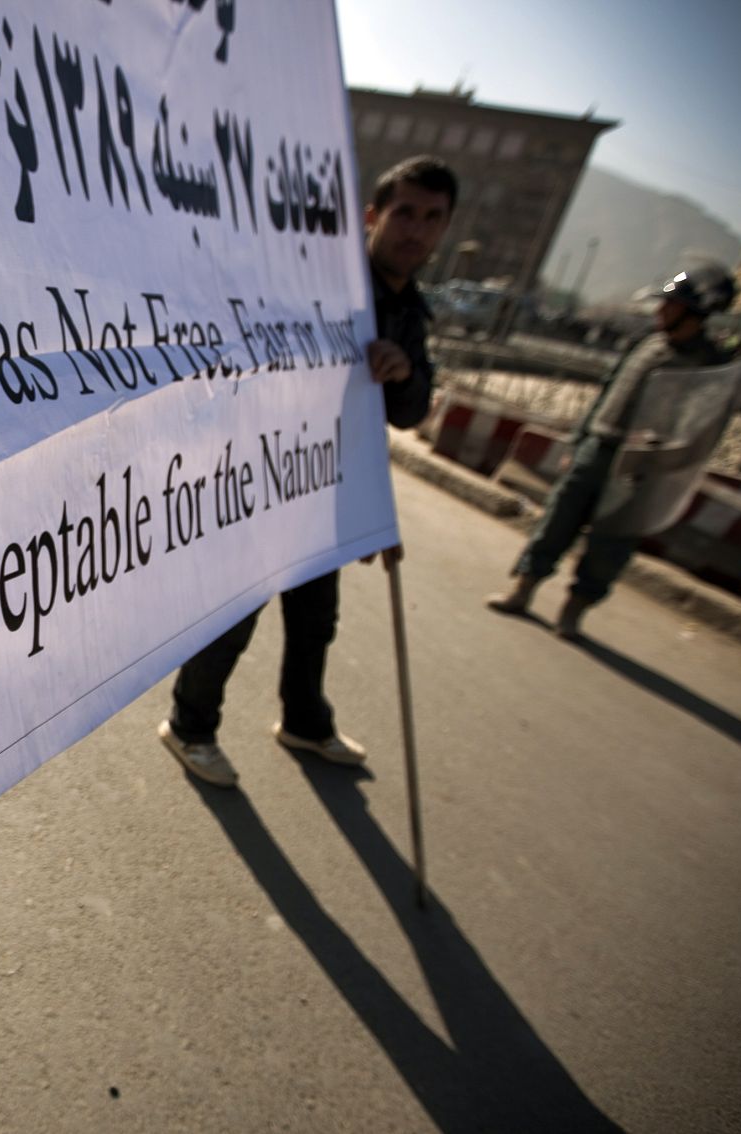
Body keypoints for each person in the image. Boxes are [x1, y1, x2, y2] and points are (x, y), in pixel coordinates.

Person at [159, 155, 457, 788]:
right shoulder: (326, 289)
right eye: (404, 213)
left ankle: (306, 720)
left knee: (316, 617)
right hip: (274, 473)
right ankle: (190, 725)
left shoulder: (412, 312)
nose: (416, 230)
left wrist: (401, 370)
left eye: (433, 219)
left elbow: (410, 413)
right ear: (373, 216)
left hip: (333, 485)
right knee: (238, 611)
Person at [485, 263, 739, 639]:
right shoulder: (646, 344)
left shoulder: (707, 365)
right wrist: (580, 440)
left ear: (695, 313)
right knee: (557, 521)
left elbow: (701, 426)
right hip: (598, 447)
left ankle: (573, 612)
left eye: (670, 306)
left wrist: (665, 459)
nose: (660, 312)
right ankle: (522, 590)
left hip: (640, 467)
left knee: (610, 543)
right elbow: (609, 390)